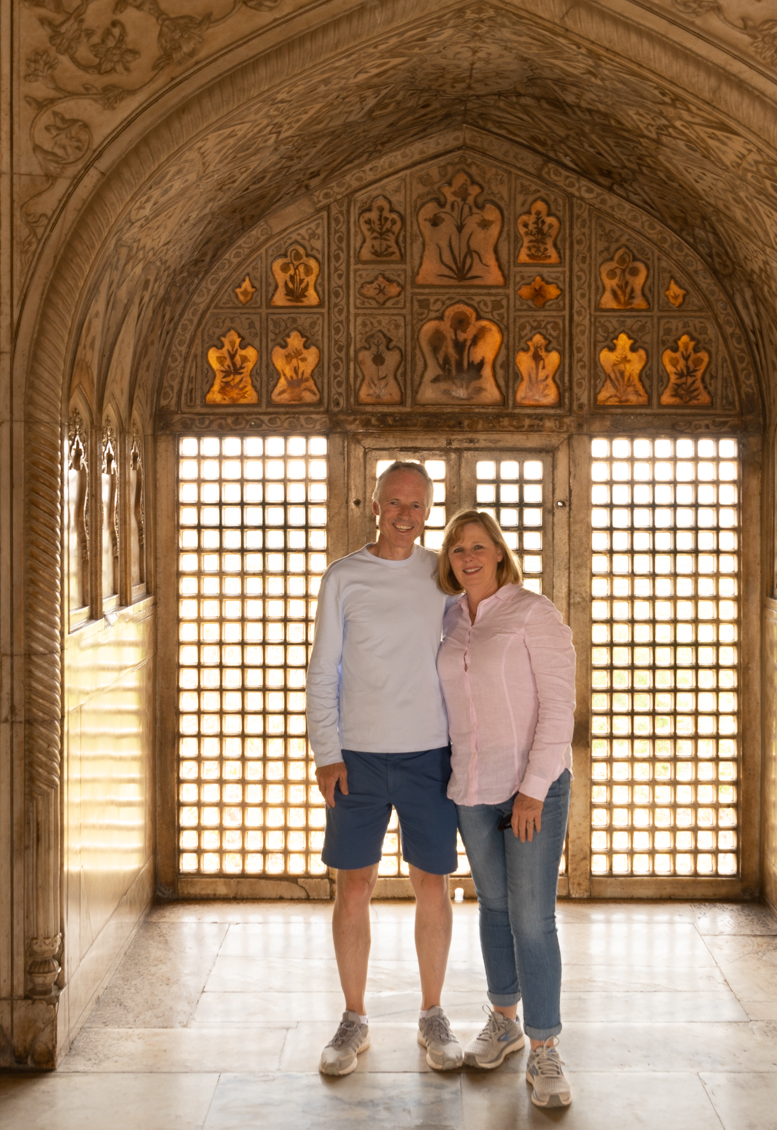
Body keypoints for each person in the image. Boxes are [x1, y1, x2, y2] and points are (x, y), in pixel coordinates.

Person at [306, 461, 465, 1075]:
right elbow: (324, 670)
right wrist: (328, 752)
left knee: (433, 884)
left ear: (430, 511)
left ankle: (432, 1014)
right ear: (375, 505)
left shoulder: (442, 573)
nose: (405, 514)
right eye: (394, 502)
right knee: (354, 885)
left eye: (417, 505)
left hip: (430, 754)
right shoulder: (343, 578)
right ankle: (353, 1019)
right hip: (360, 759)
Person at [436, 509, 576, 1108]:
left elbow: (559, 707)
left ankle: (545, 1048)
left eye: (477, 546)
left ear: (498, 551)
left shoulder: (533, 613)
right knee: (492, 906)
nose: (466, 557)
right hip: (471, 786)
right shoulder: (449, 618)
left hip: (531, 790)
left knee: (531, 918)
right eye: (456, 549)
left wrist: (533, 788)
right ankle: (504, 1021)